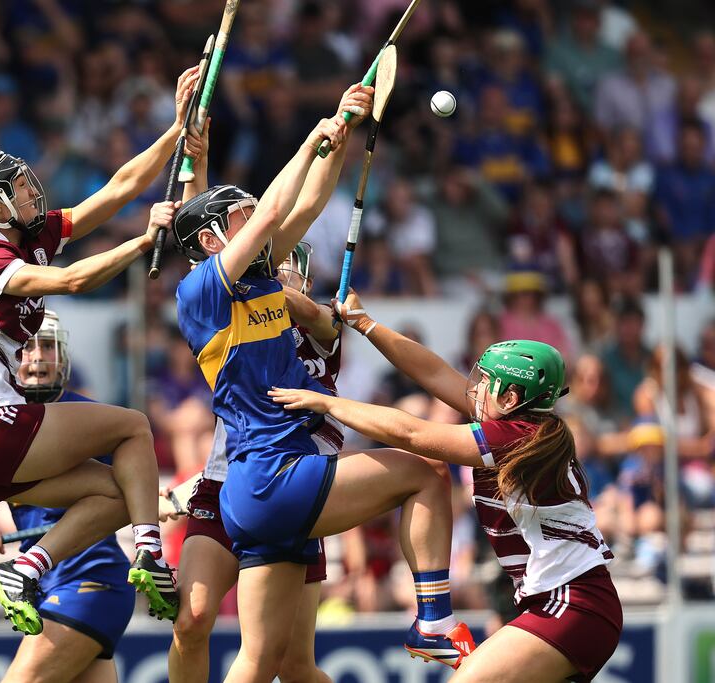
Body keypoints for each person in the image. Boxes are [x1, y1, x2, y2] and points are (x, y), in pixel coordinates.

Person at [170, 86, 475, 681]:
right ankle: (434, 620)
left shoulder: (257, 287)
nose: (255, 220)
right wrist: (311, 138)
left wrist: (341, 130)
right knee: (425, 473)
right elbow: (268, 214)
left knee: (268, 663)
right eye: (239, 217)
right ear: (213, 243)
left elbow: (303, 208)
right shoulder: (204, 290)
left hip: (264, 489)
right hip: (270, 476)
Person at [0, 65, 202, 633]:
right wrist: (145, 239)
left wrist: (176, 130)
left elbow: (120, 189)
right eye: (21, 186)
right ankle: (151, 553)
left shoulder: (27, 238)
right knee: (132, 425)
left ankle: (26, 567)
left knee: (117, 492)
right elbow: (75, 281)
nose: (34, 189)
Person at [270, 290, 623, 682]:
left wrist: (330, 403)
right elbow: (434, 372)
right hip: (571, 605)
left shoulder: (518, 436)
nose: (473, 388)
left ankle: (434, 620)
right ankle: (433, 620)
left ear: (510, 397)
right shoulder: (522, 421)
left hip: (572, 604)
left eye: (485, 382)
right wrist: (367, 325)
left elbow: (411, 433)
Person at [0, 311, 134, 683]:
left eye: (48, 346)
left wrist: (153, 503)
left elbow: (135, 480)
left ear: (63, 357)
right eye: (28, 347)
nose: (37, 356)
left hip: (87, 581)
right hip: (45, 587)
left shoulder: (89, 417)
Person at [169, 244, 345, 683]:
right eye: (271, 270)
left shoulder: (321, 332)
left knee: (293, 666)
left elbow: (313, 313)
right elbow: (203, 247)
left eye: (288, 273)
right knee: (190, 620)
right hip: (224, 486)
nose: (279, 278)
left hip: (296, 495)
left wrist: (260, 285)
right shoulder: (235, 320)